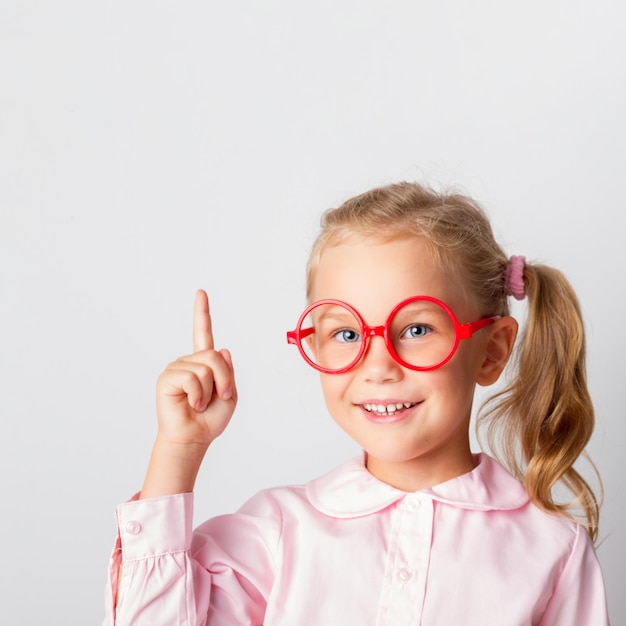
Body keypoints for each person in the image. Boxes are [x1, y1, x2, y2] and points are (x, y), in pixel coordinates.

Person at [104, 181, 609, 625]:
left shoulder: (551, 548)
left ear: (491, 350)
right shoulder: (278, 531)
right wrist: (179, 449)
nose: (377, 365)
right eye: (346, 332)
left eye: (416, 329)